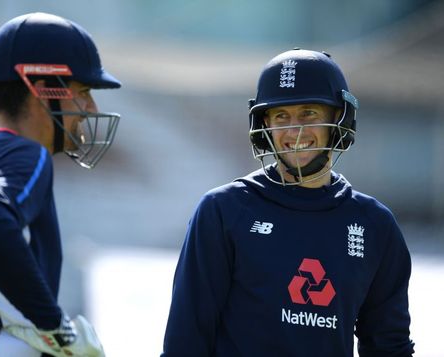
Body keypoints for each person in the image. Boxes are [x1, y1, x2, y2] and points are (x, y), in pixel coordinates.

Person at [161, 49, 415, 356]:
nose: (294, 131)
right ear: (264, 125)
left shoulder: (375, 224)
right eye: (281, 116)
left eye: (309, 113)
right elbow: (185, 342)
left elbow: (389, 346)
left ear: (340, 118)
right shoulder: (224, 211)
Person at [0, 12, 122, 356]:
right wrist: (57, 329)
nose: (90, 107)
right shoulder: (26, 154)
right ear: (42, 89)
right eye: (82, 91)